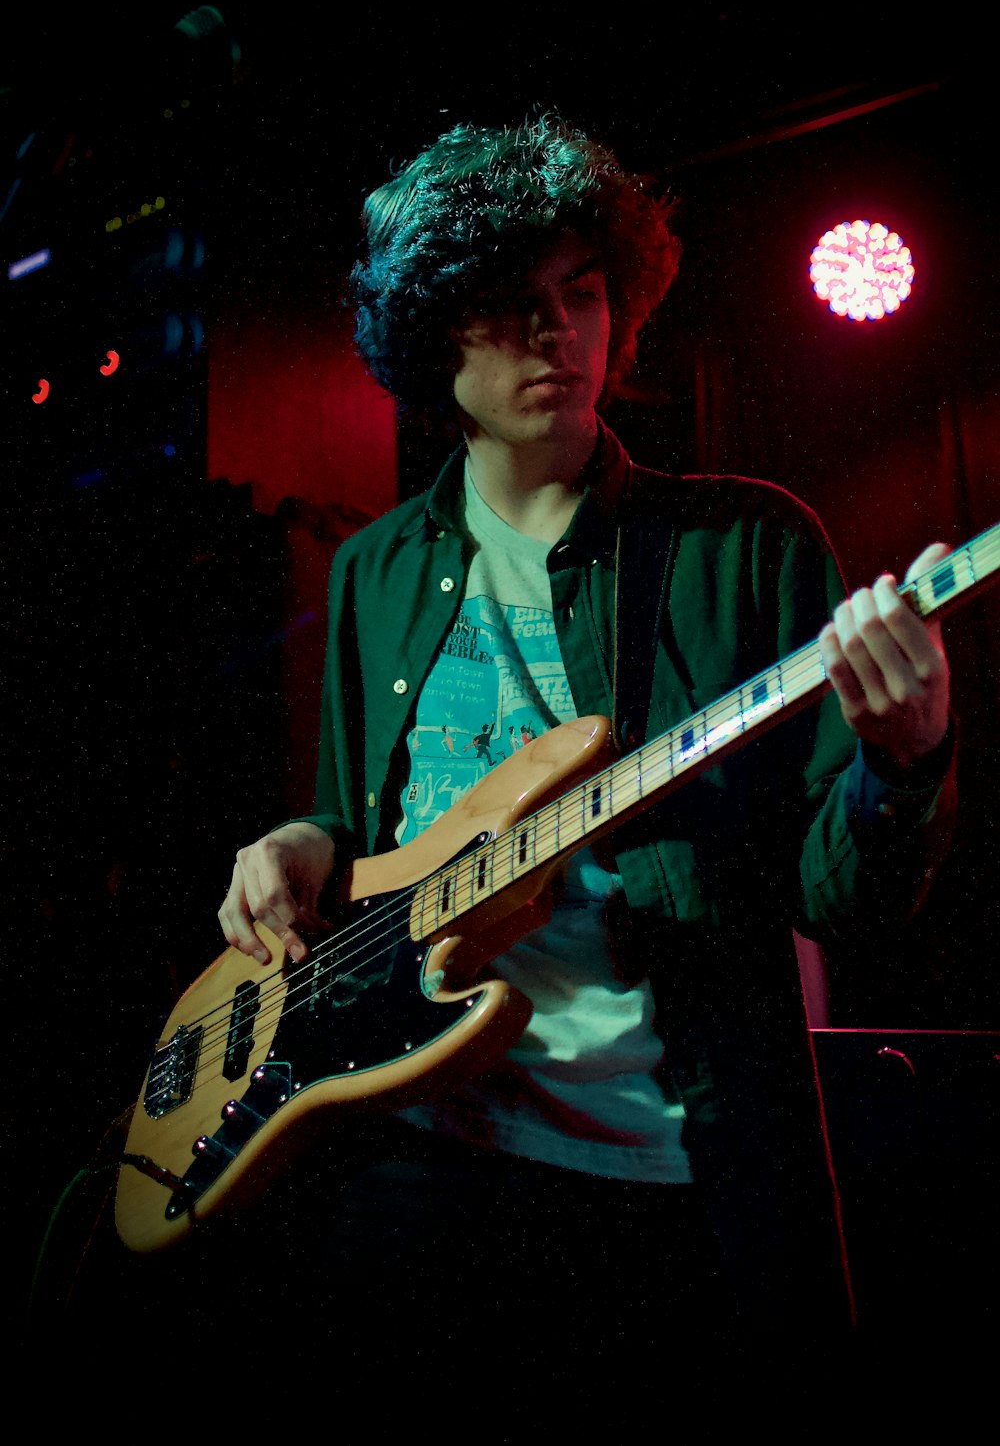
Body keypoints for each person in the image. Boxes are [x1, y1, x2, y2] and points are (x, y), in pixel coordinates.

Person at [210, 114, 955, 1393]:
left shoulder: (749, 547)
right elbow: (360, 830)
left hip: (661, 1160)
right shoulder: (372, 570)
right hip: (410, 1143)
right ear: (432, 332)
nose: (556, 331)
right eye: (508, 305)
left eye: (581, 293)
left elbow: (844, 901)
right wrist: (300, 841)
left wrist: (905, 759)